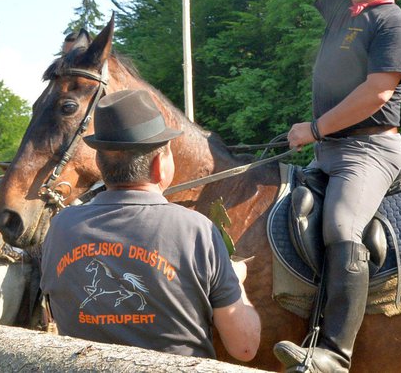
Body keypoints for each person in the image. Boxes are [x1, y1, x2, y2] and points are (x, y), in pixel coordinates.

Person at [259, 0, 401, 372]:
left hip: (370, 152)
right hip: (328, 150)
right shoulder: (340, 8)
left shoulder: (394, 24)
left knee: (342, 225)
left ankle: (334, 353)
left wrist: (314, 128)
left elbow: (378, 93)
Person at [40, 89, 260, 362]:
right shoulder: (195, 230)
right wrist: (237, 284)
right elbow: (245, 348)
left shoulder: (60, 228)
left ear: (100, 163)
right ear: (159, 164)